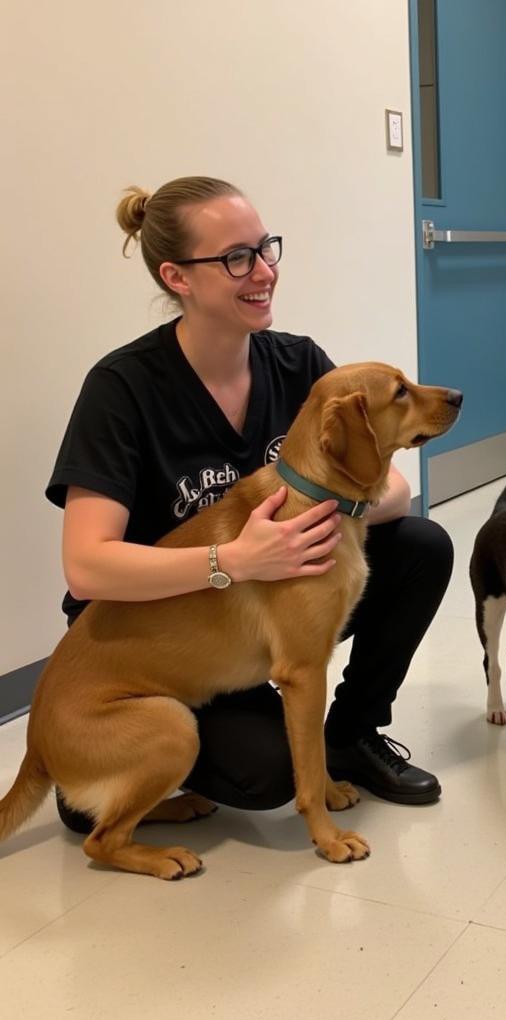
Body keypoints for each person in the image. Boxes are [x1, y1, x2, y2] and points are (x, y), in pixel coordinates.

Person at [48, 176, 452, 833]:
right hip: (155, 650)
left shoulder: (298, 367)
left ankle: (352, 736)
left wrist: (297, 529)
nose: (264, 271)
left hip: (257, 619)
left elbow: (390, 488)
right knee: (265, 776)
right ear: (178, 277)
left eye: (266, 248)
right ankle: (101, 769)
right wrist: (234, 560)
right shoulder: (121, 390)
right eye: (237, 257)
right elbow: (87, 569)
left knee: (419, 547)